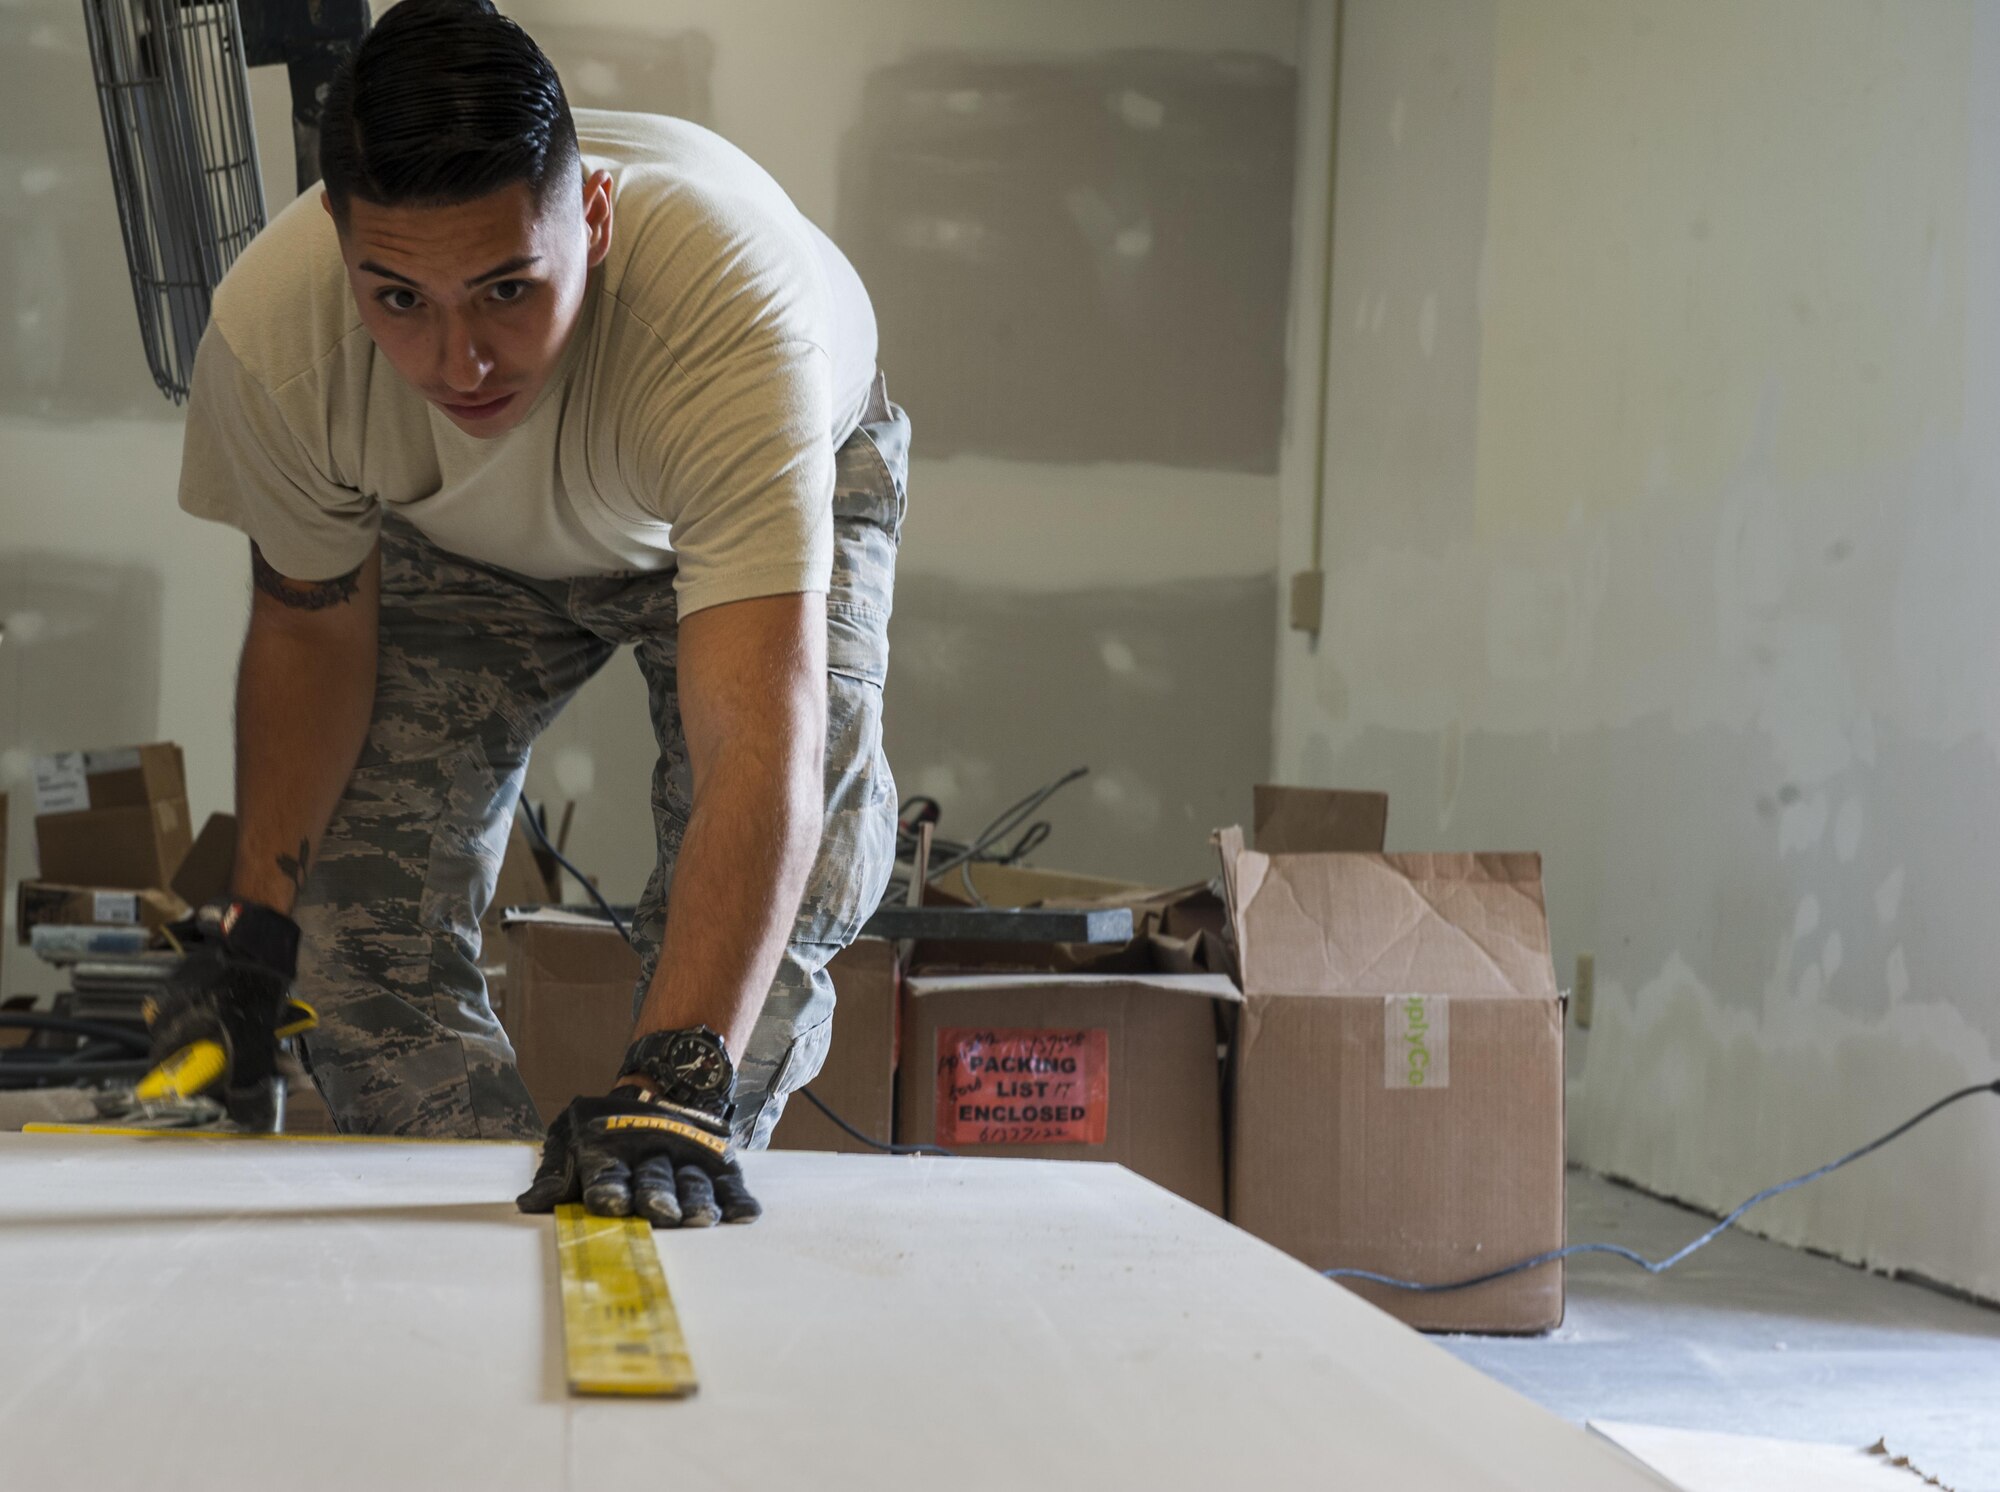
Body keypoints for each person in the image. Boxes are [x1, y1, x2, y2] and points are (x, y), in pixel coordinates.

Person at [144, 0, 904, 1229]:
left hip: (735, 489)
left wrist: (672, 1080)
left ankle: (655, 1164)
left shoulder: (724, 316)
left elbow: (756, 747)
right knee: (352, 936)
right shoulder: (276, 343)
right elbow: (308, 631)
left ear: (592, 221)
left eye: (506, 287)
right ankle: (488, 1233)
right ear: (337, 249)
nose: (461, 361)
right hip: (471, 533)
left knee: (785, 906)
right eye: (397, 300)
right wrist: (254, 936)